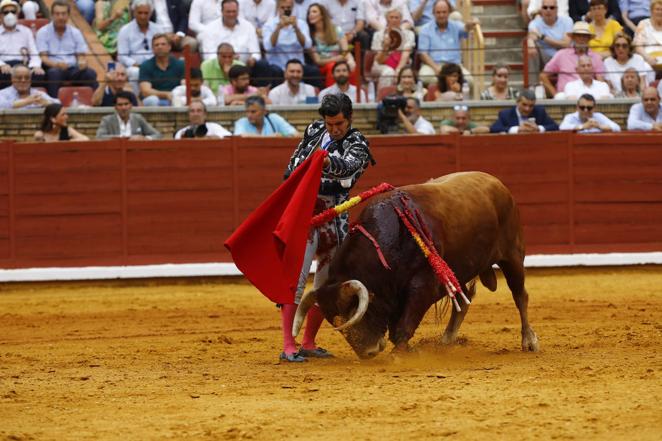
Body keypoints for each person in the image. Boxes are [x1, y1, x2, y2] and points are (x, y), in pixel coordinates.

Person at [280, 92, 373, 362]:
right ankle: (288, 345)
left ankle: (308, 341)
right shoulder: (313, 131)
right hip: (304, 217)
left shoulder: (358, 143)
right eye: (330, 124)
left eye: (339, 125)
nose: (334, 130)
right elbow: (292, 166)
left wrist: (326, 161)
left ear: (349, 119)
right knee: (295, 280)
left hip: (333, 220)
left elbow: (348, 169)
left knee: (326, 284)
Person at [35, 0, 98, 98]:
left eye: (64, 14)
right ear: (52, 15)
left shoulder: (75, 32)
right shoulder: (43, 32)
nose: (61, 17)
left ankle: (95, 103)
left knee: (90, 73)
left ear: (68, 15)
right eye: (57, 14)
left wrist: (82, 62)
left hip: (72, 68)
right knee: (54, 73)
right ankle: (54, 104)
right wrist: (56, 64)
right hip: (53, 67)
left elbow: (81, 56)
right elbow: (43, 58)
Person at [197, 0, 267, 85]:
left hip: (245, 67)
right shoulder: (210, 28)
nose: (231, 15)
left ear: (238, 11)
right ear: (222, 11)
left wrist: (253, 59)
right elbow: (209, 55)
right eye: (228, 12)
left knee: (263, 65)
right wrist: (228, 59)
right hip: (220, 66)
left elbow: (256, 52)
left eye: (234, 11)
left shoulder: (248, 26)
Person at [417, 0, 478, 85]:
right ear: (433, 13)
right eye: (438, 12)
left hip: (454, 66)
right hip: (433, 65)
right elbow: (423, 54)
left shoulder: (456, 25)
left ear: (449, 13)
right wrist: (436, 68)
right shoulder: (425, 29)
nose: (441, 15)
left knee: (469, 81)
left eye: (444, 12)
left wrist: (470, 24)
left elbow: (465, 29)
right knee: (424, 77)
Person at [540, 21, 606, 97]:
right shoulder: (561, 55)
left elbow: (600, 81)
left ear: (588, 38)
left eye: (584, 36)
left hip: (589, 96)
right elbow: (543, 75)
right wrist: (555, 94)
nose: (582, 39)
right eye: (579, 36)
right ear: (573, 37)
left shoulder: (596, 57)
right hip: (565, 96)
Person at [263, 0, 319, 88]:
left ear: (292, 8)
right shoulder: (269, 25)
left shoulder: (301, 24)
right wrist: (278, 28)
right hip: (278, 66)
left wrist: (296, 28)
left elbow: (307, 45)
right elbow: (268, 47)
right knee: (274, 71)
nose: (285, 10)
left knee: (313, 71)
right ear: (278, 8)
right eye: (283, 7)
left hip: (298, 65)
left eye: (288, 8)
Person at [117, 0, 163, 93]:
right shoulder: (125, 30)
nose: (143, 16)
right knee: (136, 72)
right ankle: (136, 100)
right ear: (134, 12)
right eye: (140, 13)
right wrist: (136, 64)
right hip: (134, 66)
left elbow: (163, 50)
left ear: (151, 13)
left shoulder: (158, 29)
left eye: (146, 13)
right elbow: (122, 56)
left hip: (155, 64)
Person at [307, 2, 356, 88]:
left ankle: (354, 96)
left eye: (314, 12)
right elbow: (318, 61)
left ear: (322, 15)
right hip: (323, 65)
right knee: (334, 67)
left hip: (339, 61)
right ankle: (331, 96)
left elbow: (345, 50)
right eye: (309, 13)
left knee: (350, 67)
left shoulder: (336, 30)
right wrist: (336, 59)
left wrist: (351, 60)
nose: (310, 15)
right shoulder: (309, 35)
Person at [0, 0, 45, 88]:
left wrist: (35, 66)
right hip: (5, 67)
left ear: (17, 14)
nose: (10, 15)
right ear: (0, 16)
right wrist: (2, 65)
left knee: (39, 75)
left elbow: (34, 52)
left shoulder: (26, 31)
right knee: (4, 75)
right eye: (6, 12)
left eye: (13, 12)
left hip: (23, 66)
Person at [526, 0, 572, 86]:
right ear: (541, 10)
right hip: (545, 58)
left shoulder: (567, 21)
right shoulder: (534, 23)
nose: (548, 10)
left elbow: (566, 44)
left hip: (563, 57)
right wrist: (530, 42)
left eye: (552, 7)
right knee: (532, 49)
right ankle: (533, 86)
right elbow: (532, 37)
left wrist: (543, 37)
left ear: (557, 9)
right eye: (545, 7)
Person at [369, 8, 415, 90]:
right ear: (387, 19)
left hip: (403, 64)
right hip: (381, 65)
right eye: (391, 17)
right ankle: (383, 97)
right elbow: (379, 60)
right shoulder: (378, 35)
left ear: (401, 19)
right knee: (389, 72)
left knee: (402, 72)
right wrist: (386, 47)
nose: (394, 20)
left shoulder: (409, 34)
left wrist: (398, 70)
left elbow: (406, 54)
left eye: (396, 17)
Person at [138, 33, 185, 106]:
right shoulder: (145, 65)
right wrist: (166, 94)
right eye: (156, 45)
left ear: (169, 47)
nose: (160, 47)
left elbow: (184, 86)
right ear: (153, 49)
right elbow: (145, 91)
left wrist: (174, 96)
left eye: (163, 44)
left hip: (175, 98)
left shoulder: (180, 64)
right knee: (152, 100)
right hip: (155, 100)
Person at [96, 90, 163, 139]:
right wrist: (120, 138)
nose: (123, 108)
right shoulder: (107, 120)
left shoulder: (138, 118)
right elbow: (99, 137)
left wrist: (144, 138)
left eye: (126, 104)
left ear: (131, 105)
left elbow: (157, 134)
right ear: (115, 107)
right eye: (120, 105)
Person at [490, 89, 559, 133]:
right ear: (517, 102)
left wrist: (538, 128)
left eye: (531, 106)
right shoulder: (506, 114)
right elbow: (494, 129)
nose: (527, 109)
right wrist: (517, 129)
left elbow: (555, 126)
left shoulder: (540, 112)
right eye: (524, 105)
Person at [234, 95, 299, 136]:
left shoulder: (274, 118)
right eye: (247, 112)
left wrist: (282, 135)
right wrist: (271, 138)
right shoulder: (241, 122)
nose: (249, 115)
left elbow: (296, 135)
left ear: (264, 111)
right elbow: (240, 137)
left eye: (253, 112)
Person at [633, 0, 662, 65]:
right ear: (651, 11)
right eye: (657, 9)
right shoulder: (643, 24)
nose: (660, 12)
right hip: (647, 60)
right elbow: (638, 46)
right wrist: (648, 58)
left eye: (661, 9)